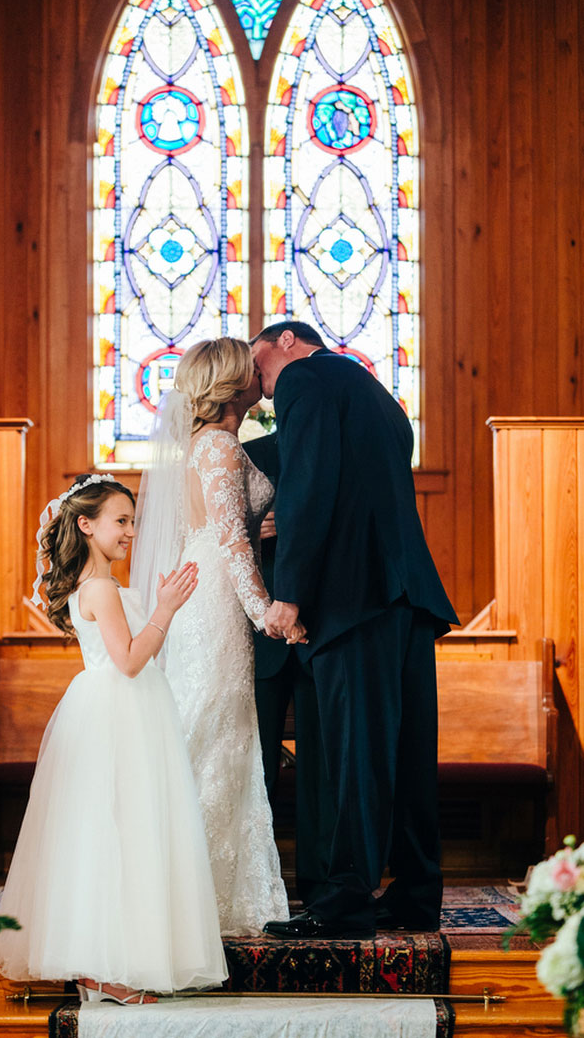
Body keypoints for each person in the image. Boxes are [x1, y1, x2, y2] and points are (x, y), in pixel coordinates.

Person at [250, 322, 458, 939]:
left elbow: (311, 480)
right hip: (406, 598)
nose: (261, 389)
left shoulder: (305, 377)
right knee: (409, 756)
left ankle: (343, 904)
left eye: (260, 365)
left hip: (352, 599)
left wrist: (288, 591)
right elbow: (347, 479)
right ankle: (417, 895)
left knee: (353, 758)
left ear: (286, 340)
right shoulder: (377, 397)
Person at [0, 474, 227, 1003]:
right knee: (119, 833)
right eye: (120, 521)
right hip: (118, 710)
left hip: (124, 711)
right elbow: (128, 661)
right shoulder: (99, 588)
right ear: (86, 524)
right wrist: (166, 608)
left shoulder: (100, 586)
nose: (130, 532)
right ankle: (106, 971)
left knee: (113, 834)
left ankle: (106, 964)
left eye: (132, 521)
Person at [132, 338, 295, 935]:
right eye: (250, 369)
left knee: (219, 733)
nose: (259, 375)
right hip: (220, 603)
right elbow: (229, 541)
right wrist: (266, 612)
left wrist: (263, 520)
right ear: (232, 382)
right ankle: (186, 903)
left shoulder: (207, 446)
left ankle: (210, 898)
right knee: (211, 733)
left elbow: (229, 525)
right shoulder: (221, 446)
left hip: (208, 595)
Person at [242, 431, 332, 909]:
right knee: (257, 769)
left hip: (320, 629)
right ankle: (260, 888)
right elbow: (213, 529)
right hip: (261, 635)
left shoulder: (330, 449)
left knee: (321, 769)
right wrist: (253, 532)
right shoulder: (250, 453)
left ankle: (318, 889)